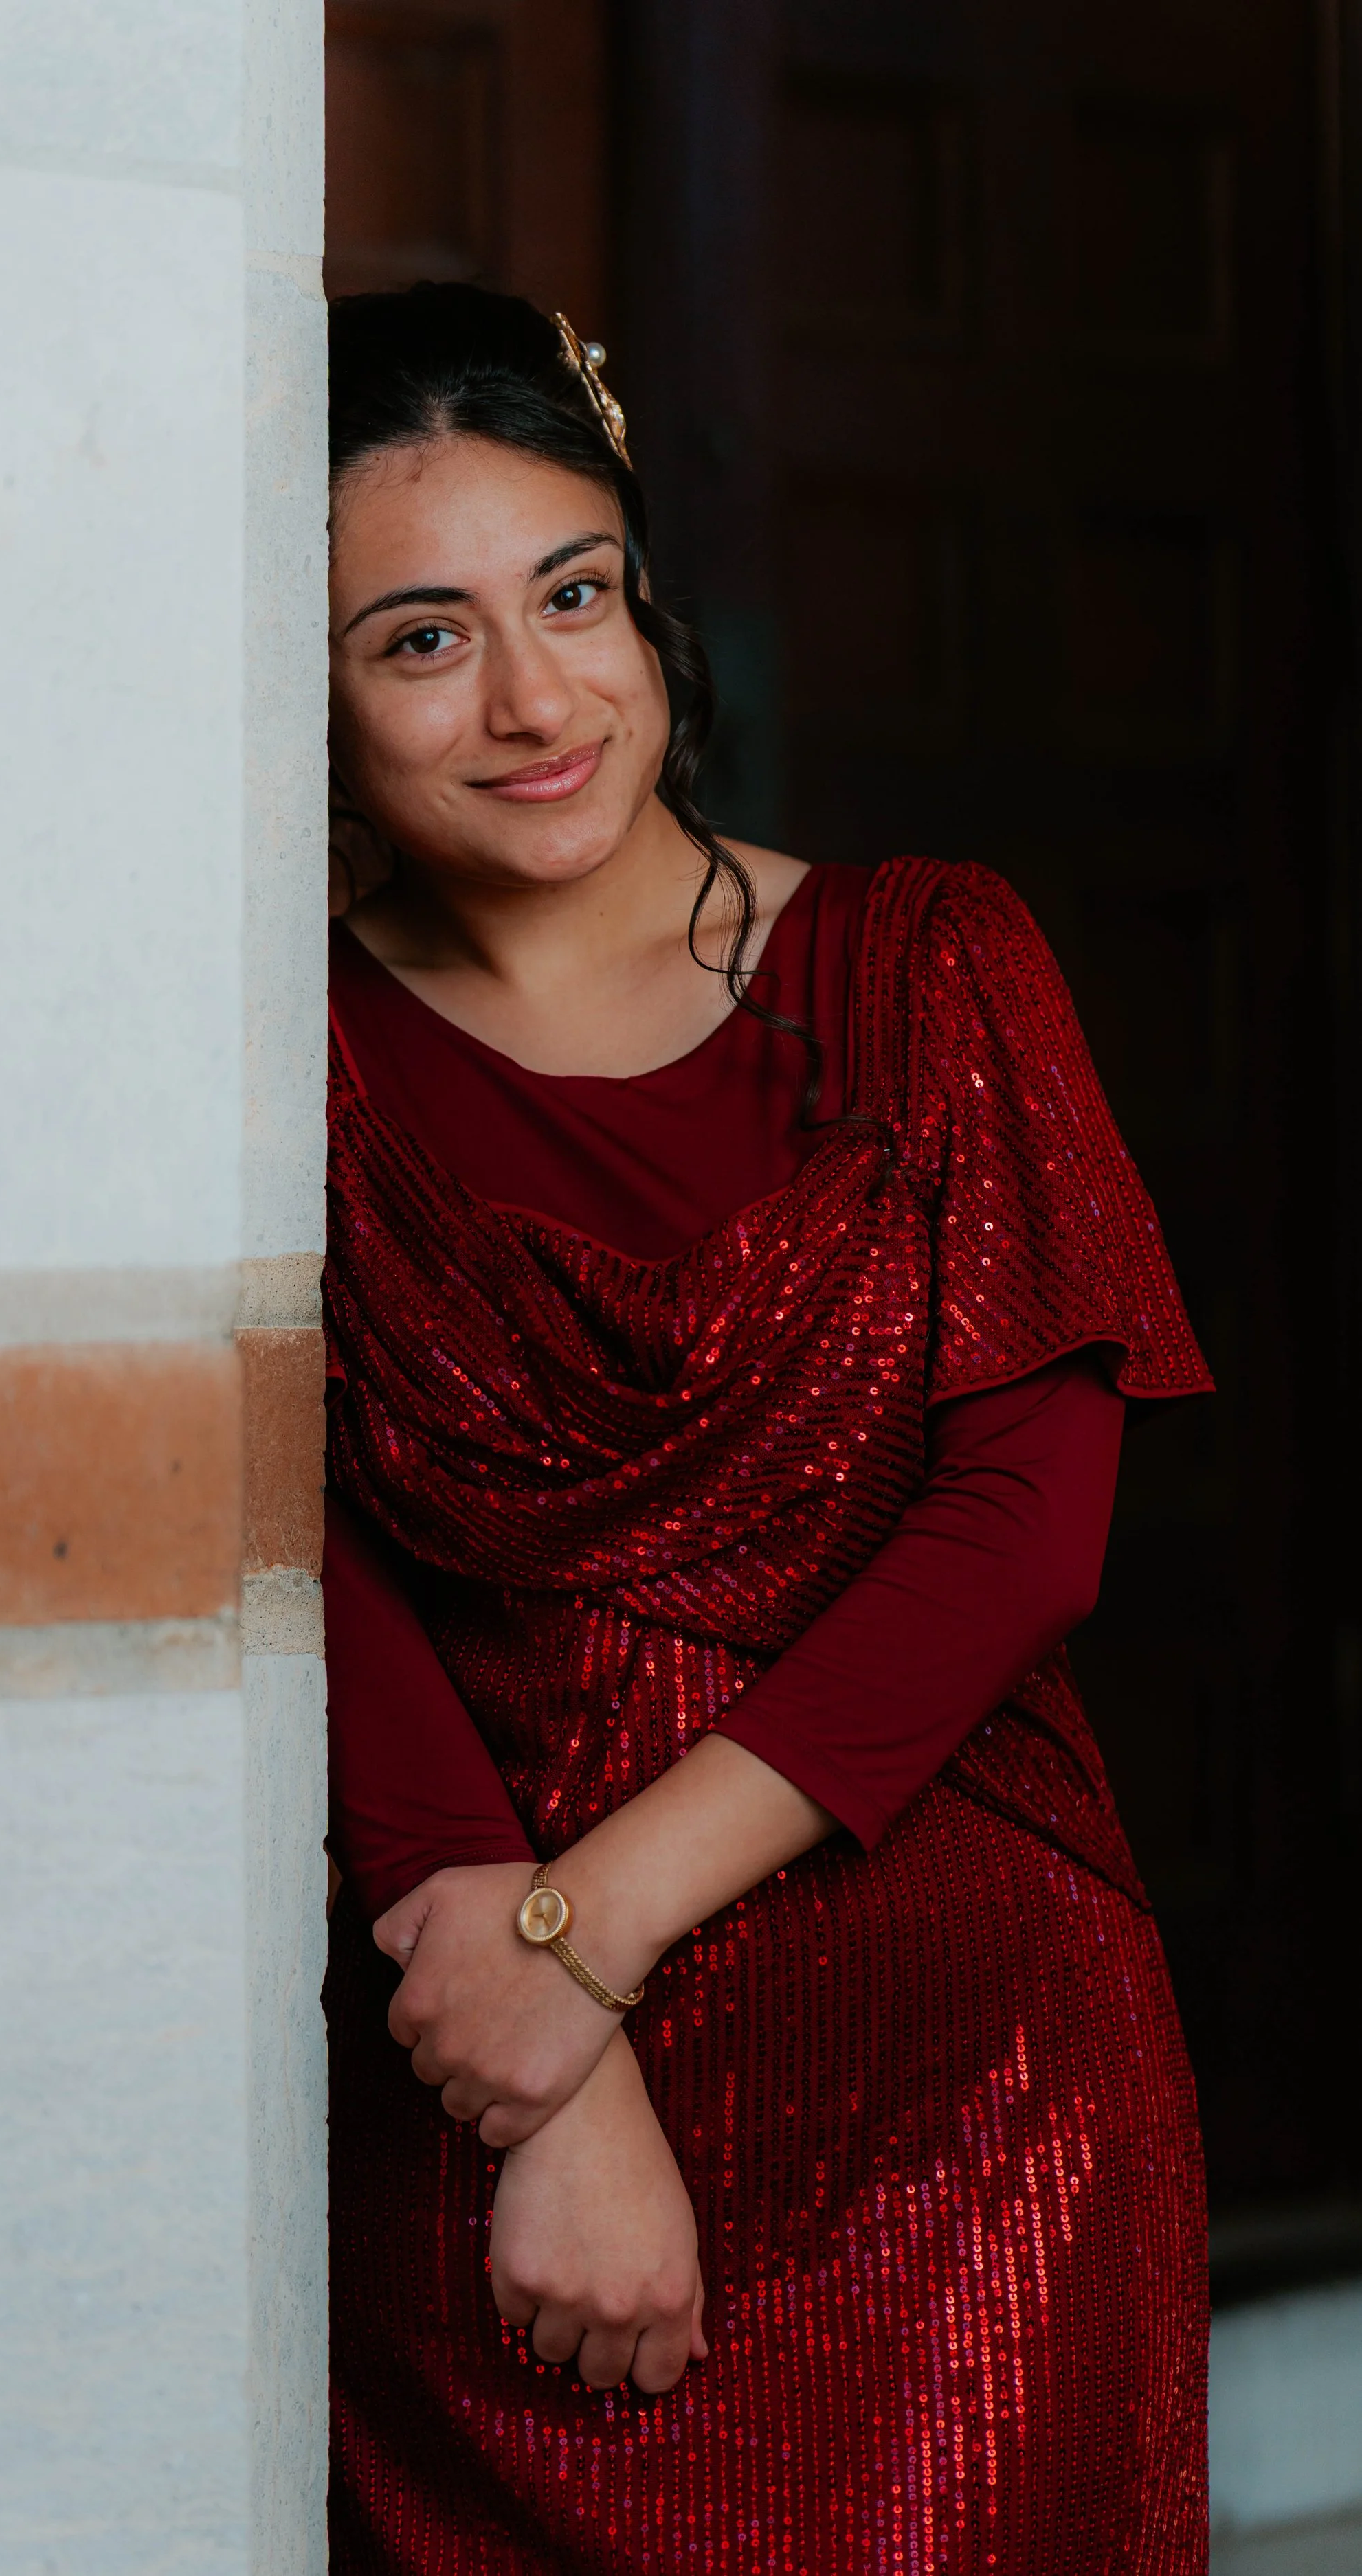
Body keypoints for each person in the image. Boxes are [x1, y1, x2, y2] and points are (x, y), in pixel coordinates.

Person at [321, 280, 1212, 2575]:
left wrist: (572, 1945)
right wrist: (543, 2073)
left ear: (642, 599)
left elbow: (1024, 1526)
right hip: (497, 2133)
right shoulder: (276, 1066)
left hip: (974, 2116)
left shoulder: (927, 961)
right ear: (299, 696)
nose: (535, 702)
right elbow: (301, 1564)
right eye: (420, 641)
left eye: (571, 596)